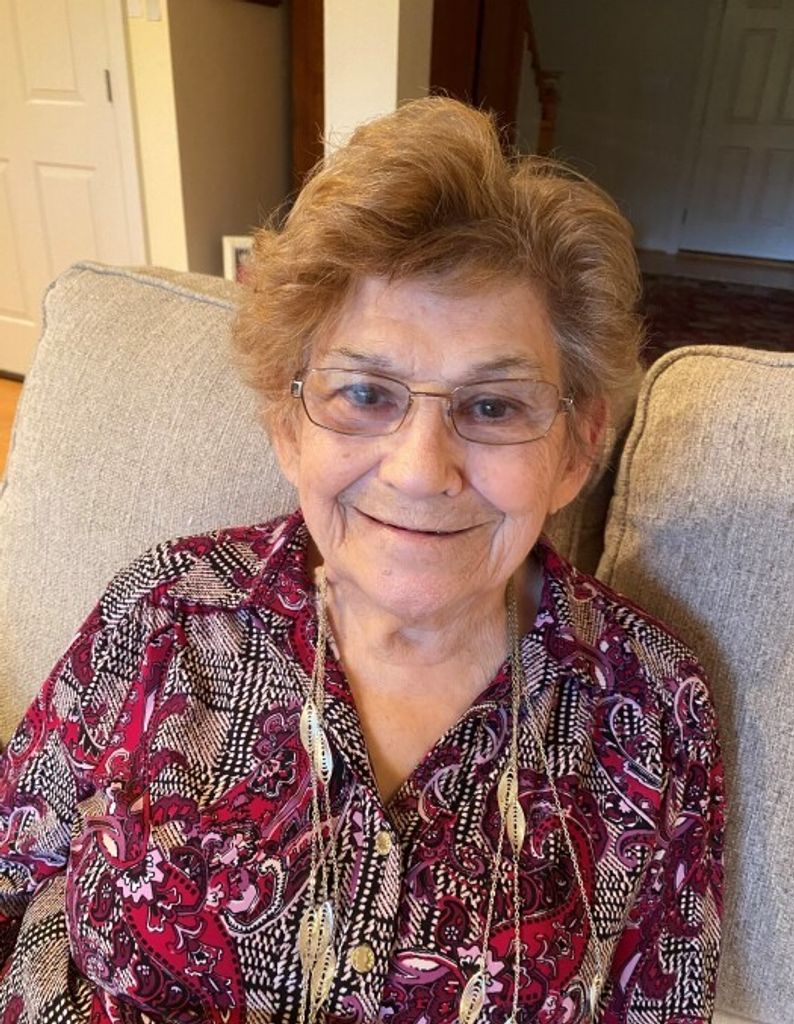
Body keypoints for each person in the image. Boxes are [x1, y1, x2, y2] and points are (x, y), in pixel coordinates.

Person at [0, 98, 723, 1023]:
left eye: (493, 406)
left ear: (577, 448)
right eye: (367, 394)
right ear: (287, 422)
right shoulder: (164, 611)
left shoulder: (655, 712)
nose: (419, 471)